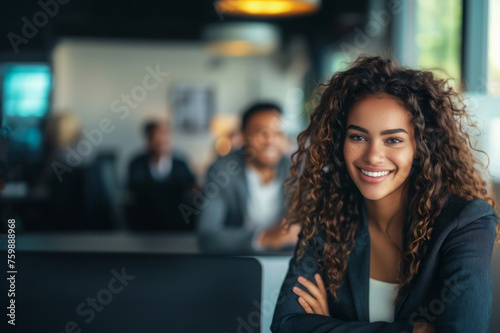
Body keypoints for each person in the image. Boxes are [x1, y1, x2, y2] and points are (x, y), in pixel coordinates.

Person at [271, 56, 500, 333]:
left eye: (393, 140)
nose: (373, 156)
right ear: (339, 142)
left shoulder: (465, 221)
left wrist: (333, 326)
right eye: (358, 137)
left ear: (420, 147)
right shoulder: (327, 216)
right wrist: (412, 330)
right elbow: (286, 323)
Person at [197, 102, 301, 253]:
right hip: (237, 260)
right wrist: (264, 238)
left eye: (278, 133)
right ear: (243, 136)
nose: (270, 140)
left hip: (287, 260)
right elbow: (207, 235)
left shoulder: (299, 170)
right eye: (261, 132)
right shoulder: (223, 171)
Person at [127, 119, 197, 230]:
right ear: (148, 140)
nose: (161, 142)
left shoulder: (180, 164)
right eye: (156, 139)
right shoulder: (136, 164)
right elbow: (133, 192)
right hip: (145, 223)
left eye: (164, 138)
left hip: (178, 224)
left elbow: (191, 189)